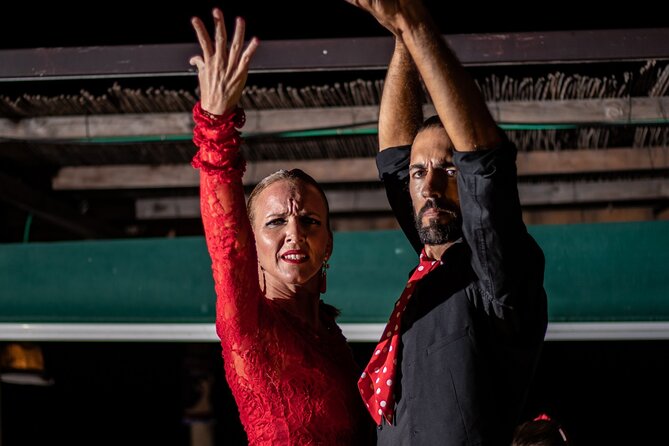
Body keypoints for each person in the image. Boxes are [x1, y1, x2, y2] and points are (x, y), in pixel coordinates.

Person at [343, 0, 549, 444]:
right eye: (421, 173)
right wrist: (399, 37)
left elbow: (485, 163)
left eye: (449, 170)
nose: (430, 186)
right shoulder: (431, 265)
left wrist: (416, 23)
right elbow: (396, 158)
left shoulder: (498, 271)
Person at [188, 8, 374, 445]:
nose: (295, 231)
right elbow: (227, 244)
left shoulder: (331, 337)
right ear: (253, 246)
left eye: (310, 221)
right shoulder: (248, 325)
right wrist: (216, 125)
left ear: (328, 244)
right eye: (275, 221)